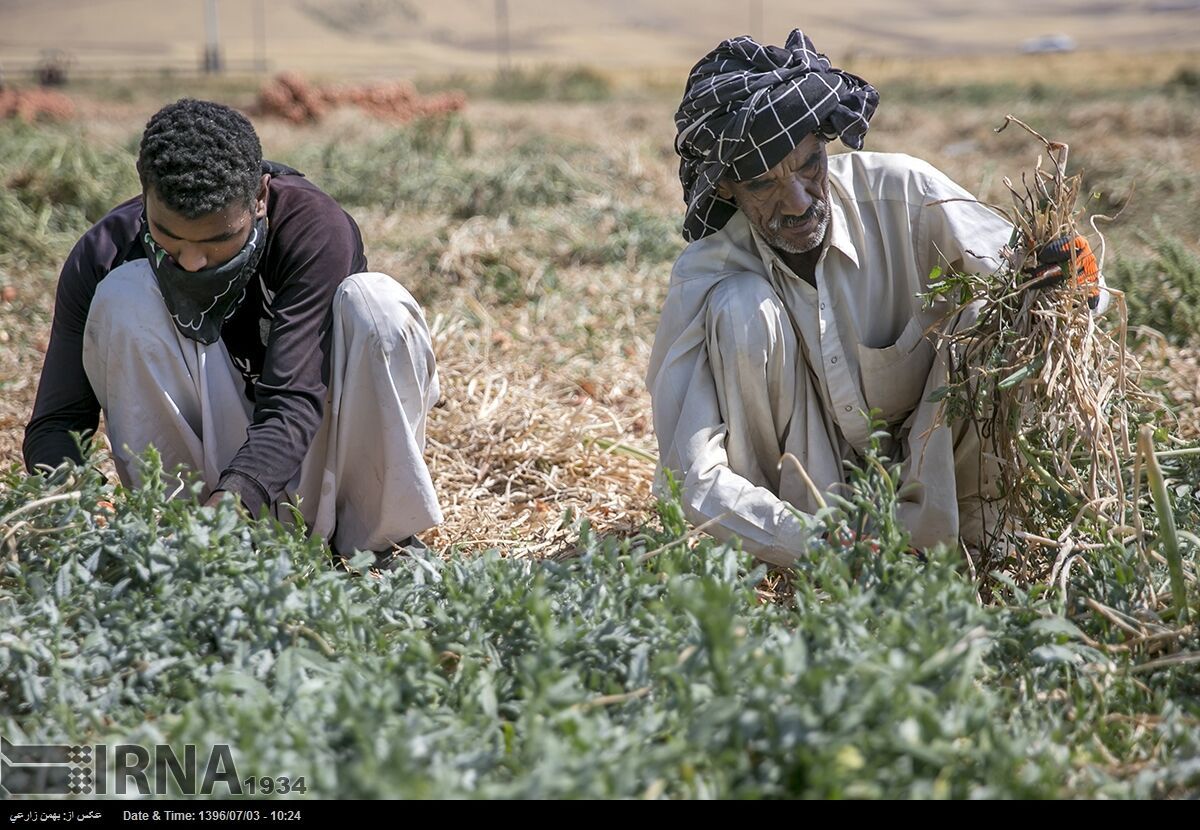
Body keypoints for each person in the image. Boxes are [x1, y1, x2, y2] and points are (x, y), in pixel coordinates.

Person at [646, 30, 1101, 566]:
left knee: (994, 314)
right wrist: (816, 546)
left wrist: (1070, 287)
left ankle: (977, 543)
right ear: (726, 189)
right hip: (805, 521)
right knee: (742, 310)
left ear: (826, 144)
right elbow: (690, 477)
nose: (796, 203)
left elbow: (1038, 286)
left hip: (940, 483)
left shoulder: (904, 194)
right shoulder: (707, 276)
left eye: (808, 165)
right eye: (764, 184)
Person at [24, 98, 442, 559]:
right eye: (170, 237)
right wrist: (81, 501)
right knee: (124, 295)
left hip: (316, 460)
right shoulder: (105, 252)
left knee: (376, 305)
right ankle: (190, 544)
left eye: (219, 239)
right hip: (203, 496)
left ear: (260, 197)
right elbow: (56, 424)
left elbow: (293, 402)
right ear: (144, 192)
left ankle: (378, 547)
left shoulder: (311, 228)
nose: (192, 261)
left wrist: (234, 501)